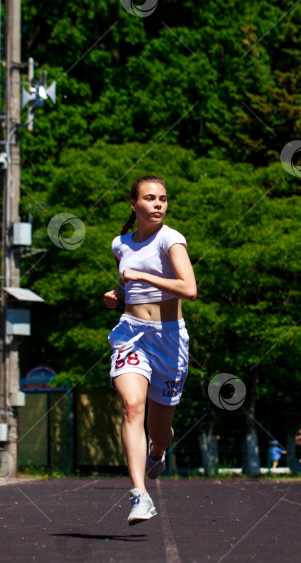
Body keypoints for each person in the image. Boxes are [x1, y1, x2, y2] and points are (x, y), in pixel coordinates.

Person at [103, 175, 197, 525]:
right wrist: (118, 296)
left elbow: (189, 289)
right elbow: (127, 283)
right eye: (150, 198)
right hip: (131, 333)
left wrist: (143, 279)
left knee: (159, 431)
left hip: (169, 339)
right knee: (131, 406)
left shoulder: (171, 239)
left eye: (163, 199)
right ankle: (140, 494)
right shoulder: (120, 244)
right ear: (134, 204)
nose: (158, 204)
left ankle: (158, 450)